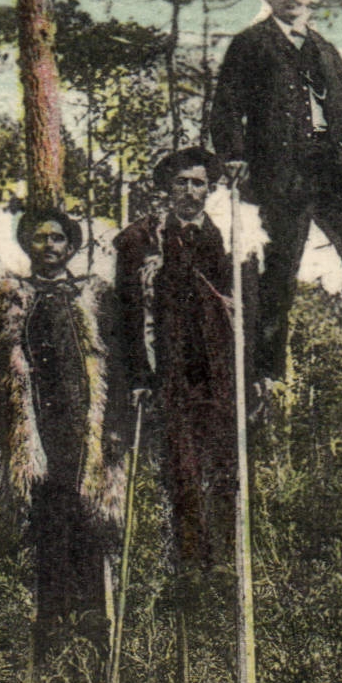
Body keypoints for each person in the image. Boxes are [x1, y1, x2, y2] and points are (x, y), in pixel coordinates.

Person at [209, 0, 342, 381]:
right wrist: (233, 154)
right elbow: (227, 105)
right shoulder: (251, 44)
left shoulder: (323, 48)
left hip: (332, 174)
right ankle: (268, 376)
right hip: (282, 175)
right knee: (281, 273)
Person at [0, 208, 131, 657]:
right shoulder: (11, 298)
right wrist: (3, 428)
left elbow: (118, 365)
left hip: (88, 428)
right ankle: (51, 620)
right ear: (28, 245)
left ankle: (93, 621)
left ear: (71, 246)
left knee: (90, 516)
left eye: (57, 238)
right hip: (37, 432)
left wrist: (116, 428)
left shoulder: (94, 295)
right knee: (47, 519)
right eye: (40, 238)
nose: (49, 246)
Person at [113, 147, 256, 576]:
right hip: (171, 371)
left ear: (210, 189)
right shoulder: (142, 240)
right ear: (167, 188)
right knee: (183, 467)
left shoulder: (230, 240)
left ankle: (227, 559)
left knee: (226, 464)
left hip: (221, 370)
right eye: (182, 182)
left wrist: (253, 374)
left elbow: (252, 310)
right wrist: (139, 376)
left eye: (198, 183)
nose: (190, 192)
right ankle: (190, 560)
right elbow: (128, 313)